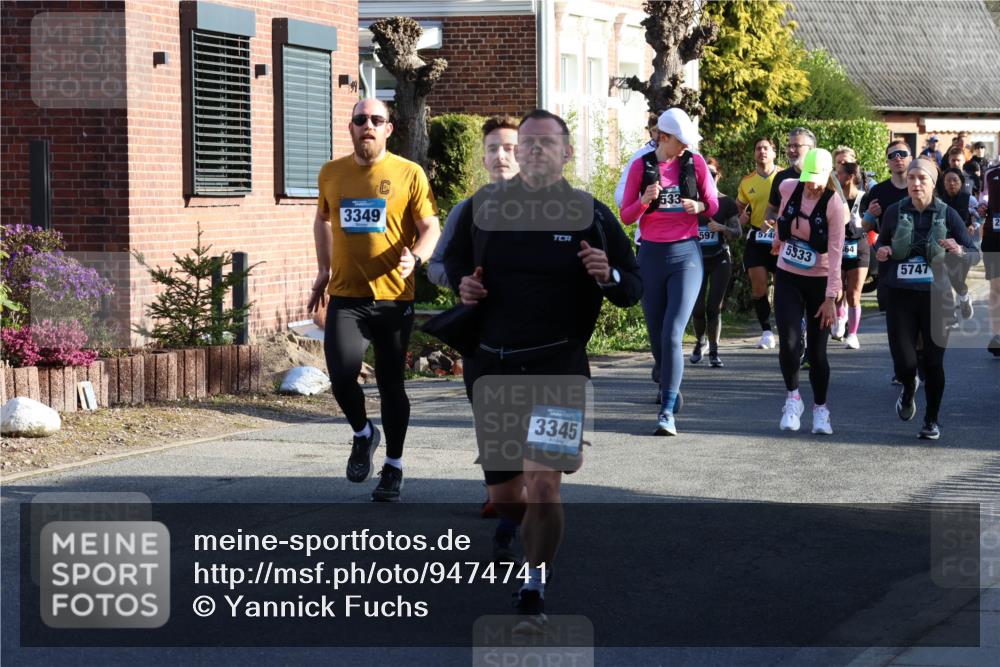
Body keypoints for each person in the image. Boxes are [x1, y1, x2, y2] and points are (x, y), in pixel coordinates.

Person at [444, 109, 642, 629]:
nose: (532, 150)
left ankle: (535, 583)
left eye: (546, 143)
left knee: (545, 486)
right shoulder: (482, 209)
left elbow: (633, 286)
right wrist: (464, 284)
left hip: (558, 367)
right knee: (508, 496)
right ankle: (523, 527)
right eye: (526, 142)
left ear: (567, 153)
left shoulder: (590, 215)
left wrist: (608, 274)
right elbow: (453, 264)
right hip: (493, 365)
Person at [307, 98, 440, 502]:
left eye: (376, 119)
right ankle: (364, 433)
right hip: (346, 295)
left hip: (393, 298)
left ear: (388, 129)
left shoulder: (408, 173)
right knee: (341, 374)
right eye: (360, 119)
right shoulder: (331, 173)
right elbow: (322, 219)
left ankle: (394, 466)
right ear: (350, 127)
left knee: (390, 384)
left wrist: (416, 257)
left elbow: (430, 226)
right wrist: (323, 269)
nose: (368, 124)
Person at [426, 115, 521, 557]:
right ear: (482, 158)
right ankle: (498, 491)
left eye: (510, 148)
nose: (501, 156)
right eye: (493, 149)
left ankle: (523, 497)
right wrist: (462, 281)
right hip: (482, 334)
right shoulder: (467, 210)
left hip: (535, 338)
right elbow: (436, 265)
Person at [619, 107, 719, 435]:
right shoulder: (641, 166)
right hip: (650, 255)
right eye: (680, 140)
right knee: (657, 334)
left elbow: (713, 204)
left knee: (673, 332)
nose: (685, 146)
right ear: (663, 137)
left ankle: (666, 411)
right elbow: (626, 216)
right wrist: (644, 200)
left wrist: (699, 206)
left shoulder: (695, 162)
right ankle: (666, 381)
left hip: (686, 255)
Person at [875, 158, 980, 439]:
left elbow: (974, 253)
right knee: (904, 363)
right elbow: (881, 242)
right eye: (911, 178)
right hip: (901, 296)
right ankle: (909, 387)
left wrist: (959, 250)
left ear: (933, 183)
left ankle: (931, 420)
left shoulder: (948, 214)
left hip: (937, 297)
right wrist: (882, 251)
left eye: (922, 178)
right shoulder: (895, 212)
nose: (916, 183)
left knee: (933, 363)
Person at [770, 148, 845, 435]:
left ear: (827, 176)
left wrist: (831, 298)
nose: (812, 184)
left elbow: (836, 253)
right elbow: (782, 215)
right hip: (788, 274)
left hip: (820, 281)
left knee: (817, 353)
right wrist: (778, 240)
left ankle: (821, 409)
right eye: (808, 177)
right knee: (789, 344)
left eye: (817, 178)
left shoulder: (834, 204)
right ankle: (793, 399)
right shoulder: (788, 186)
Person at [690, 157, 741, 367]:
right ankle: (699, 341)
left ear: (718, 176)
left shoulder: (726, 202)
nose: (708, 177)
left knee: (713, 307)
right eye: (704, 174)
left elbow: (737, 232)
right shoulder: (691, 202)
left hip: (719, 258)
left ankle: (714, 351)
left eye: (712, 174)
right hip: (696, 260)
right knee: (697, 308)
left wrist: (722, 228)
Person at [737, 137, 779, 349]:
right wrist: (740, 218)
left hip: (781, 238)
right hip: (757, 238)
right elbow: (738, 208)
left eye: (766, 148)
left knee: (783, 290)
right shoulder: (747, 181)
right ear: (754, 154)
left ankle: (790, 327)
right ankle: (766, 331)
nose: (762, 151)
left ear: (774, 153)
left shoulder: (785, 176)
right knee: (758, 287)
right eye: (758, 148)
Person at [831, 147, 869, 349]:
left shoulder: (864, 196)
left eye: (840, 173)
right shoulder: (832, 195)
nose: (836, 176)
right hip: (837, 247)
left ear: (851, 175)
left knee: (853, 294)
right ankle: (840, 316)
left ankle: (853, 334)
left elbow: (873, 223)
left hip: (858, 247)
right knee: (837, 292)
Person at [614, 113, 660, 251]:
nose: (659, 135)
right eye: (655, 130)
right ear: (650, 132)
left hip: (681, 238)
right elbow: (620, 197)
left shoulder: (688, 156)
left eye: (663, 130)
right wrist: (642, 198)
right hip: (647, 238)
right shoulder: (640, 158)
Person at [938, 168, 979, 320]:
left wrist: (973, 226)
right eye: (948, 180)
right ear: (943, 183)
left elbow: (980, 217)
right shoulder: (939, 201)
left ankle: (964, 298)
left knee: (957, 280)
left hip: (963, 244)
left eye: (955, 180)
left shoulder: (969, 199)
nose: (951, 183)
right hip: (945, 244)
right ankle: (950, 314)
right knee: (946, 278)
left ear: (961, 182)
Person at [981, 164, 1000, 356]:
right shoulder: (991, 173)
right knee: (996, 288)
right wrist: (982, 207)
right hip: (994, 238)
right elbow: (983, 197)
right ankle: (997, 335)